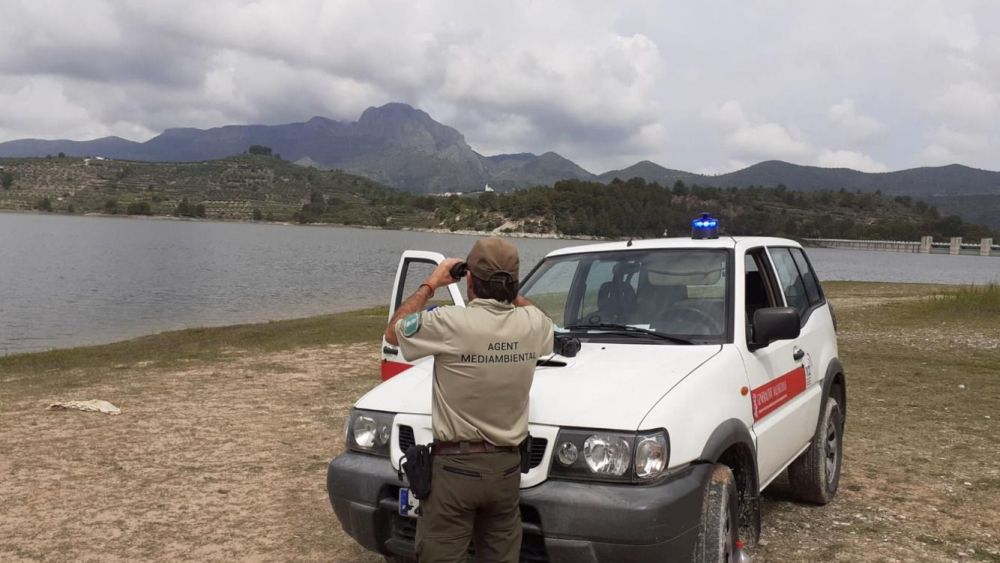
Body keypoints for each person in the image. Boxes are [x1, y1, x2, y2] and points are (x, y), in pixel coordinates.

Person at [384, 237, 553, 563]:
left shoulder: (450, 321)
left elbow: (393, 332)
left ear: (470, 280)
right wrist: (511, 293)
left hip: (455, 470)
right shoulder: (533, 325)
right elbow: (544, 321)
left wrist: (431, 283)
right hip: (506, 470)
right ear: (513, 283)